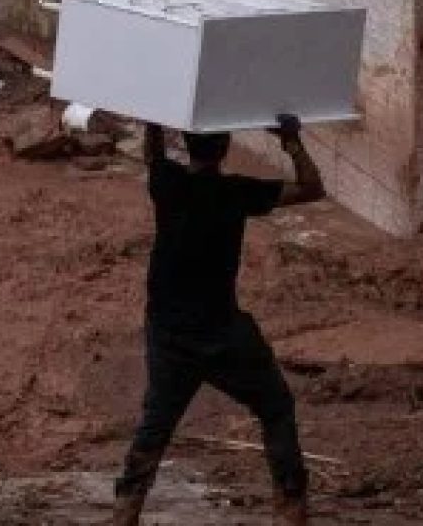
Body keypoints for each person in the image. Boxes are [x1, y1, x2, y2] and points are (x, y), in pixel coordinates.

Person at [113, 115, 325, 526]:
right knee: (276, 408)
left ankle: (125, 513)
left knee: (154, 429)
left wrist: (157, 119)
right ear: (225, 149)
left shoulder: (167, 186)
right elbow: (312, 188)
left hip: (169, 335)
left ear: (187, 146)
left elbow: (152, 155)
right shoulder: (235, 193)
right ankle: (292, 508)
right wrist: (292, 142)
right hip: (223, 331)